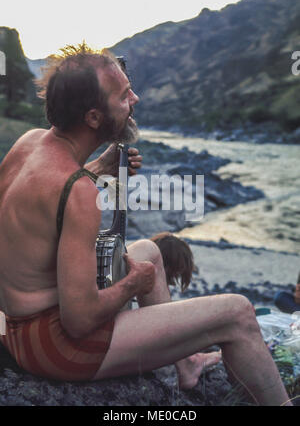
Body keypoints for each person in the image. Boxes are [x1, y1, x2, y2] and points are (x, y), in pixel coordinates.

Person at [0, 44, 292, 405]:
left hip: (14, 329)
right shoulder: (77, 192)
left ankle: (186, 365)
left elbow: (39, 204)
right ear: (93, 118)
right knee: (238, 312)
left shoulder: (28, 144)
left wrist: (96, 169)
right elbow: (79, 319)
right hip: (54, 346)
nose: (134, 98)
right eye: (123, 96)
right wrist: (134, 284)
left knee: (149, 251)